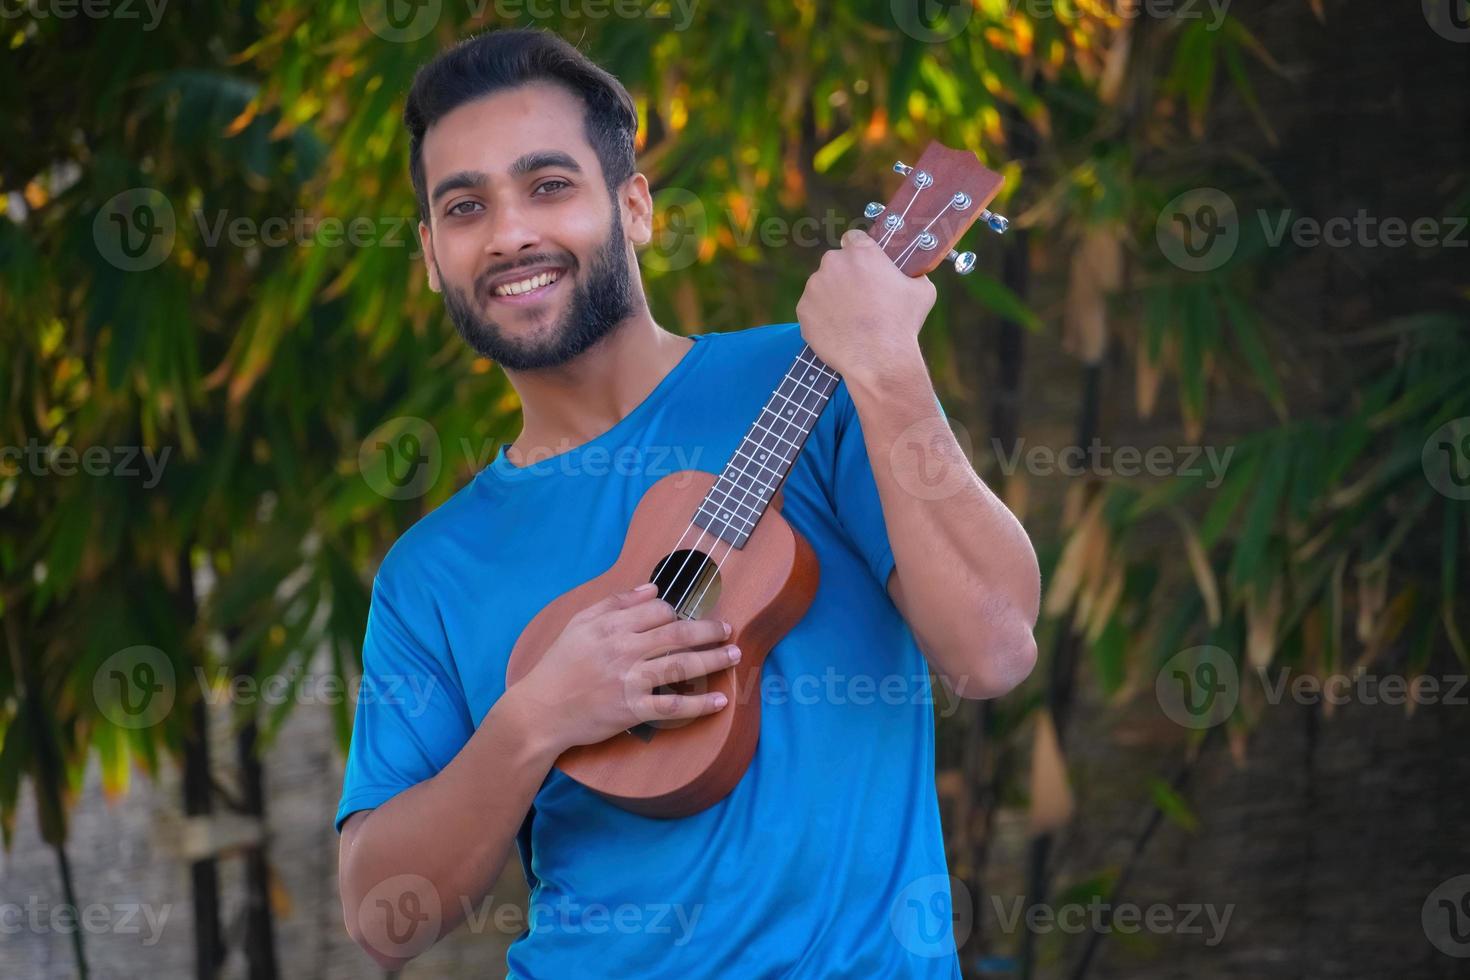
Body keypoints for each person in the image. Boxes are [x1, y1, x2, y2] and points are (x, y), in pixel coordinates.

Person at [335, 27, 1040, 977]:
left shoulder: (820, 377)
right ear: (430, 254)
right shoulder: (430, 572)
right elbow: (384, 920)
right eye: (465, 208)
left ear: (635, 207)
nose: (509, 234)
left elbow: (994, 649)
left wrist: (887, 368)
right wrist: (536, 716)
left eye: (549, 186)